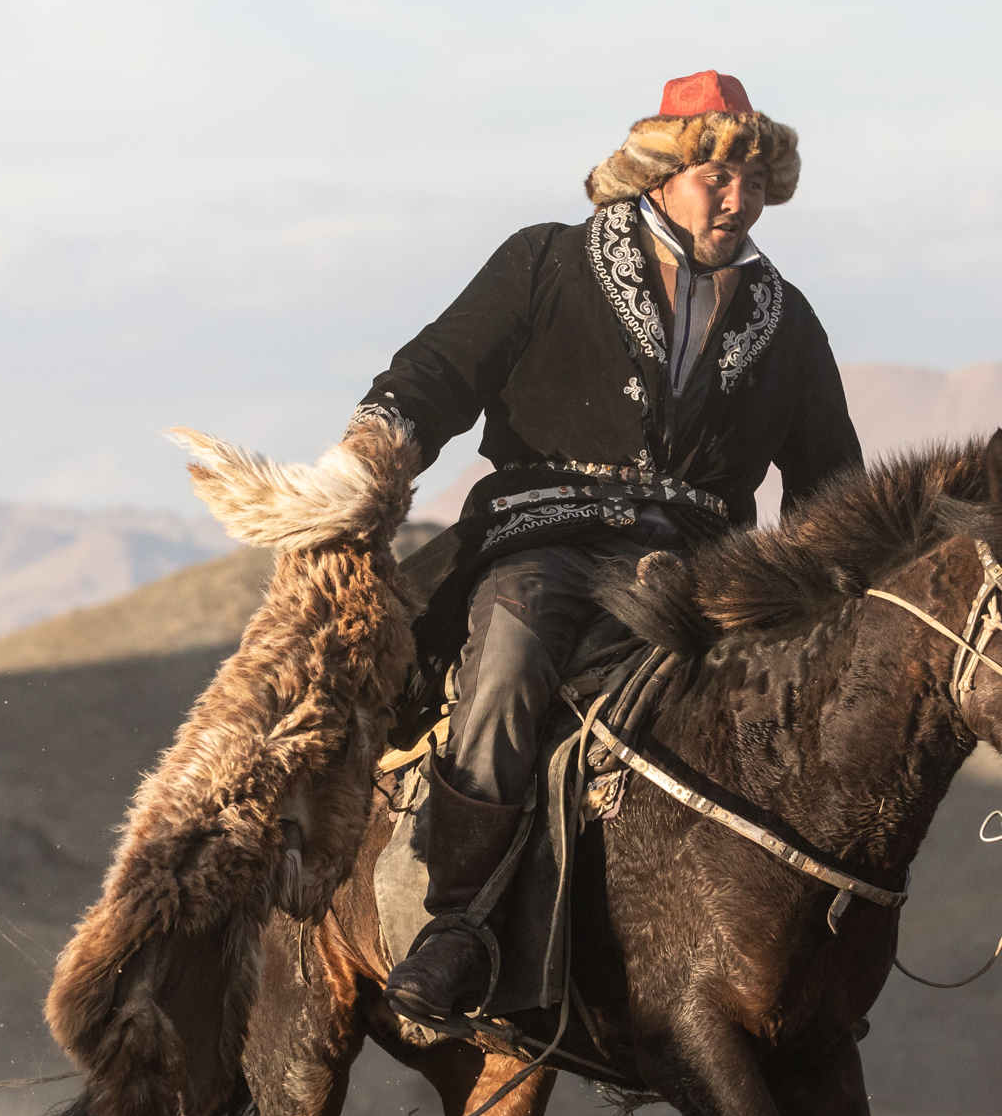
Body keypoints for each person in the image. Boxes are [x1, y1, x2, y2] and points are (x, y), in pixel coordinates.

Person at [347, 70, 862, 1021]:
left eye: (755, 180)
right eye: (718, 177)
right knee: (508, 657)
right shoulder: (548, 261)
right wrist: (371, 457)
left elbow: (830, 483)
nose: (739, 199)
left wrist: (840, 598)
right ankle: (458, 925)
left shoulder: (786, 319)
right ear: (663, 172)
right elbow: (436, 373)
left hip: (702, 569)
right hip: (547, 532)